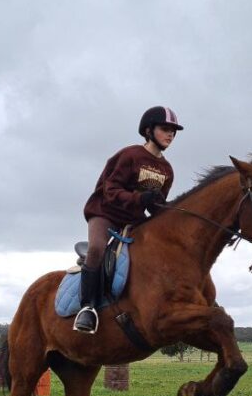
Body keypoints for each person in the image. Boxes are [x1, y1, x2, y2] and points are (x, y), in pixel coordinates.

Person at [74, 105, 183, 333]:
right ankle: (87, 308)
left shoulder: (167, 170)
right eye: (165, 129)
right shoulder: (130, 155)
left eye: (174, 131)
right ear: (149, 130)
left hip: (133, 220)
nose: (170, 134)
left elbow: (157, 207)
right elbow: (110, 191)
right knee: (96, 249)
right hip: (105, 213)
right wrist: (140, 198)